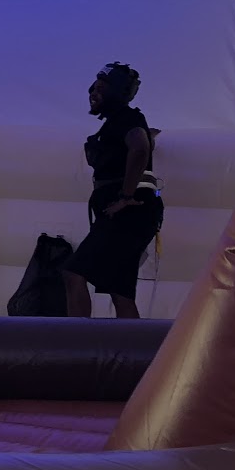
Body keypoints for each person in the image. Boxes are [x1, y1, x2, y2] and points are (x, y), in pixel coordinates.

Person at [63, 61, 162, 319]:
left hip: (127, 212)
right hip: (132, 214)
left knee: (74, 273)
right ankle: (131, 344)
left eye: (101, 89)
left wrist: (125, 197)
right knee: (120, 291)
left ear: (117, 92)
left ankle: (76, 341)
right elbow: (140, 143)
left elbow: (139, 149)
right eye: (93, 88)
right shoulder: (119, 122)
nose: (93, 93)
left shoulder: (127, 118)